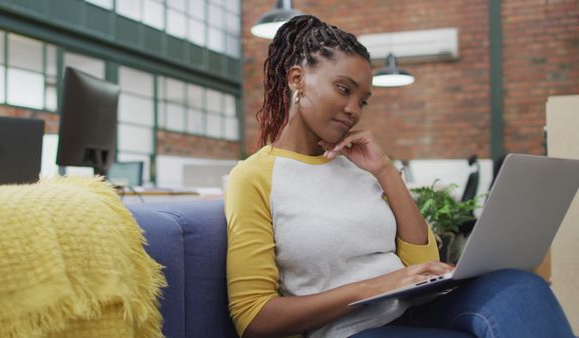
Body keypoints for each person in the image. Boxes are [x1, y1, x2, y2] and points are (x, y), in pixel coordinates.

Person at [224, 14, 574, 338]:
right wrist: (378, 285)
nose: (353, 110)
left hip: (415, 308)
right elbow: (254, 317)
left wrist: (385, 171)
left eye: (363, 101)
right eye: (344, 89)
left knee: (520, 285)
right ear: (297, 79)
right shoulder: (254, 177)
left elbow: (422, 263)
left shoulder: (359, 166)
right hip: (353, 329)